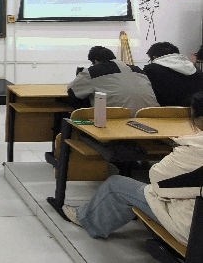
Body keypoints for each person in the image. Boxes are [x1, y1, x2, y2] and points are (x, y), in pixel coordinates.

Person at [62, 91, 203, 245]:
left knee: (116, 185)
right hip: (195, 216)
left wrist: (180, 149)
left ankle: (85, 218)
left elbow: (157, 179)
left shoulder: (195, 148)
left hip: (193, 229)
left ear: (201, 119)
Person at [67, 46, 158, 114]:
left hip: (116, 118)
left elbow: (72, 91)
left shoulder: (93, 71)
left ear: (95, 61)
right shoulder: (138, 70)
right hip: (150, 116)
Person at [144, 41, 203, 107]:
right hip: (196, 111)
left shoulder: (150, 69)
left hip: (166, 111)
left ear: (154, 57)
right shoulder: (195, 69)